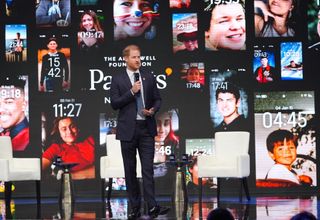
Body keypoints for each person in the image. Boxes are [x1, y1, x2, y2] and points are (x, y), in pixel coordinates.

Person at [110, 45, 168, 219]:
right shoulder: (118, 78)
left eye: (139, 57)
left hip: (146, 129)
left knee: (148, 169)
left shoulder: (148, 76)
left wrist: (152, 110)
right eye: (134, 57)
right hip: (128, 129)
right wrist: (131, 92)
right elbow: (114, 103)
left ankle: (152, 207)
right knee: (130, 170)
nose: (138, 60)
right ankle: (134, 208)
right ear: (125, 59)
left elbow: (158, 99)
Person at [0, 75, 30, 154]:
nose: (1, 109)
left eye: (9, 102)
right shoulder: (3, 135)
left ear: (24, 105)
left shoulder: (30, 141)